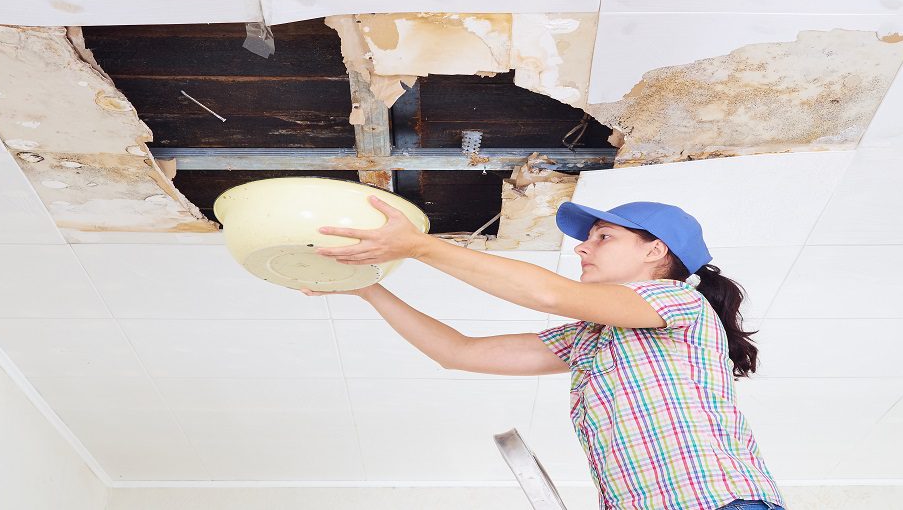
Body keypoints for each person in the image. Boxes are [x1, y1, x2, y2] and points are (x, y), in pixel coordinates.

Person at [301, 195, 785, 510]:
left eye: (603, 236)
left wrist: (417, 247)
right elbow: (458, 351)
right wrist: (370, 290)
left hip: (718, 502)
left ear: (655, 251)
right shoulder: (591, 336)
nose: (582, 248)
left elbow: (548, 295)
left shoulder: (679, 301)